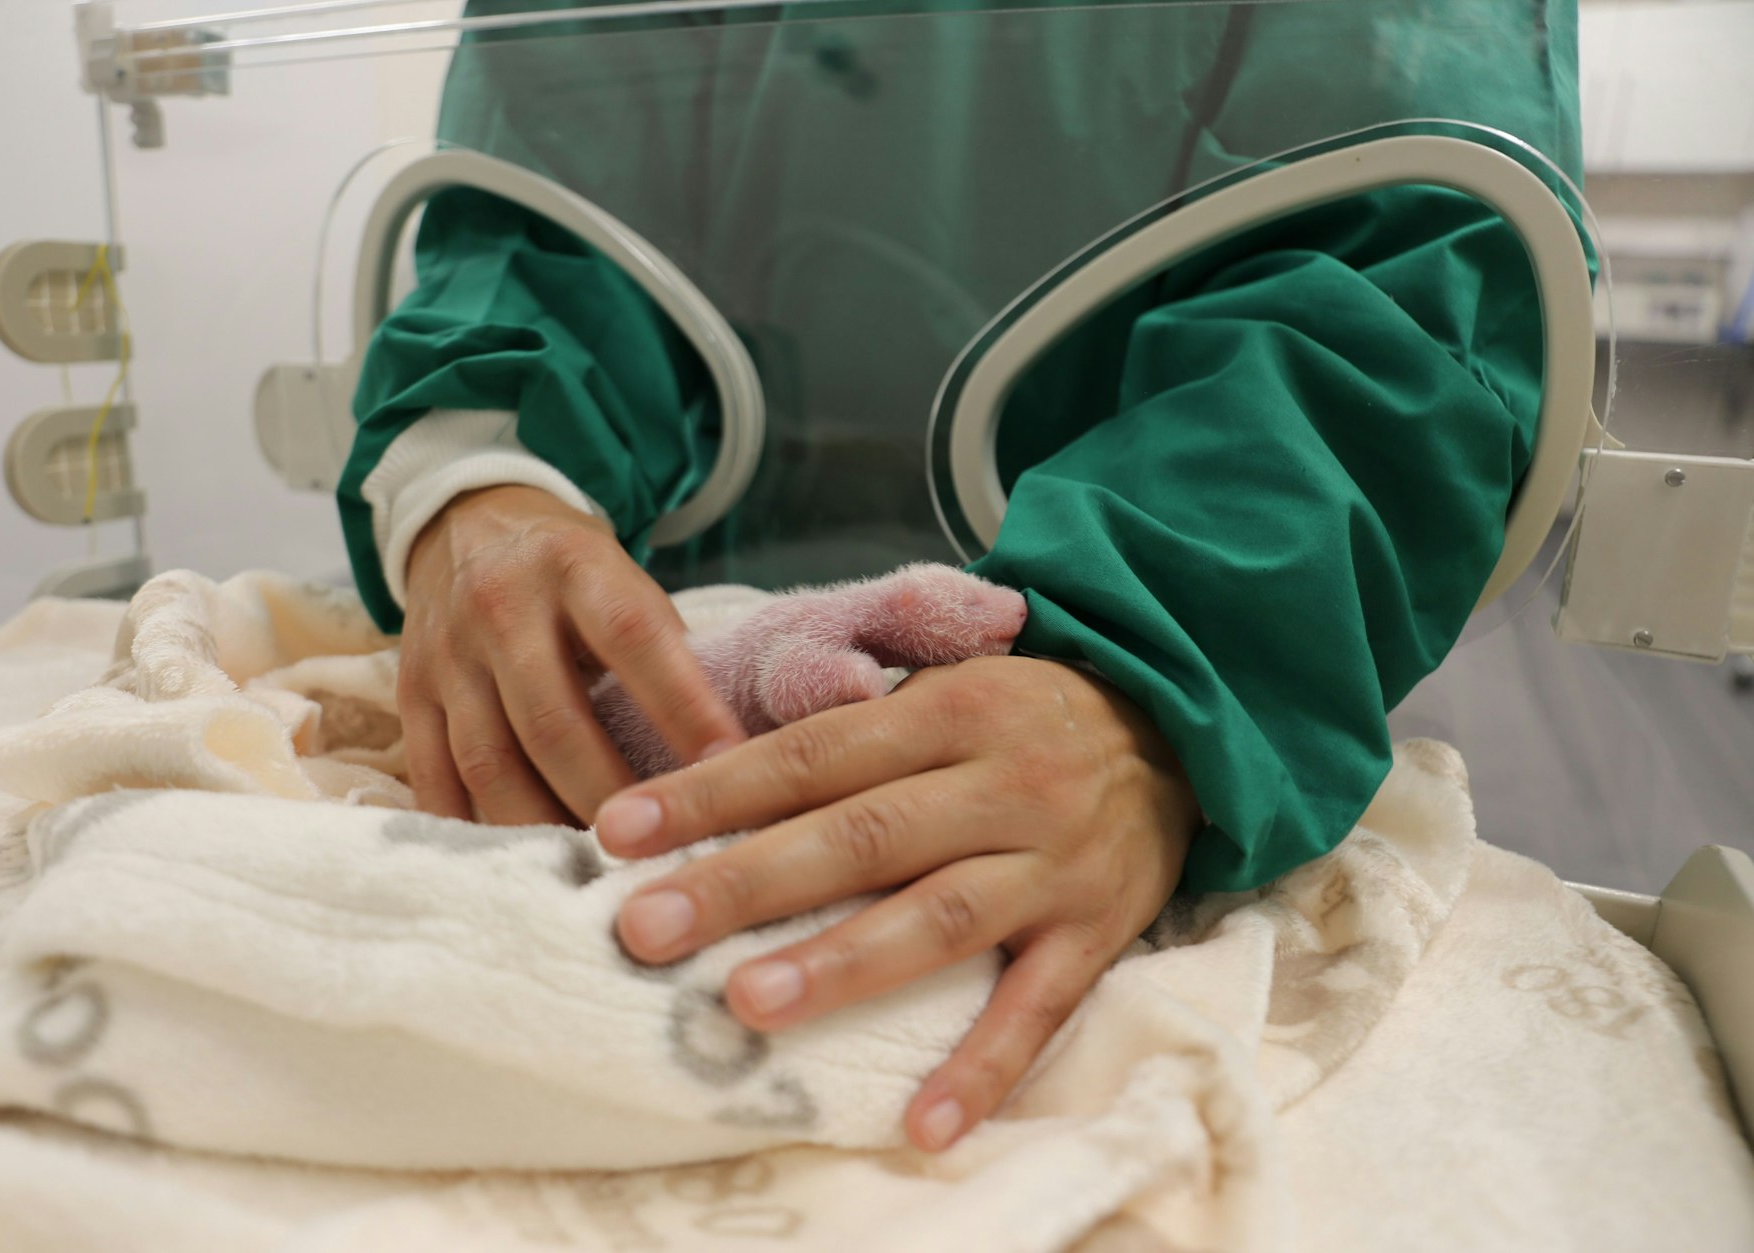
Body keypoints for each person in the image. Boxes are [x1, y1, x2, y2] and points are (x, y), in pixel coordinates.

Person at [338, 0, 1584, 1151]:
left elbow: (1413, 274)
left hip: (1174, 673)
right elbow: (535, 212)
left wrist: (1150, 676)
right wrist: (480, 479)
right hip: (665, 633)